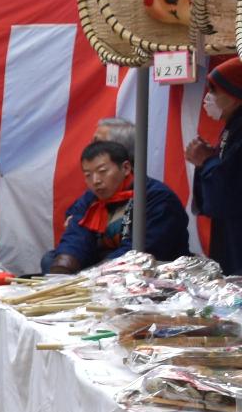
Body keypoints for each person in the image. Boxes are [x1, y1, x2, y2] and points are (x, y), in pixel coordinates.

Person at [42, 139, 188, 273]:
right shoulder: (91, 198)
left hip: (148, 267)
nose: (96, 180)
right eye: (88, 175)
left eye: (102, 172)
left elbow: (144, 248)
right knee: (52, 260)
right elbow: (77, 235)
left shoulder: (157, 197)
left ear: (125, 168)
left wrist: (96, 273)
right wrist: (64, 265)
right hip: (104, 262)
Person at [190, 56, 242, 274]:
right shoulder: (232, 126)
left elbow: (230, 191)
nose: (208, 98)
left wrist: (206, 161)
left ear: (234, 96)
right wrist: (209, 160)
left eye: (214, 91)